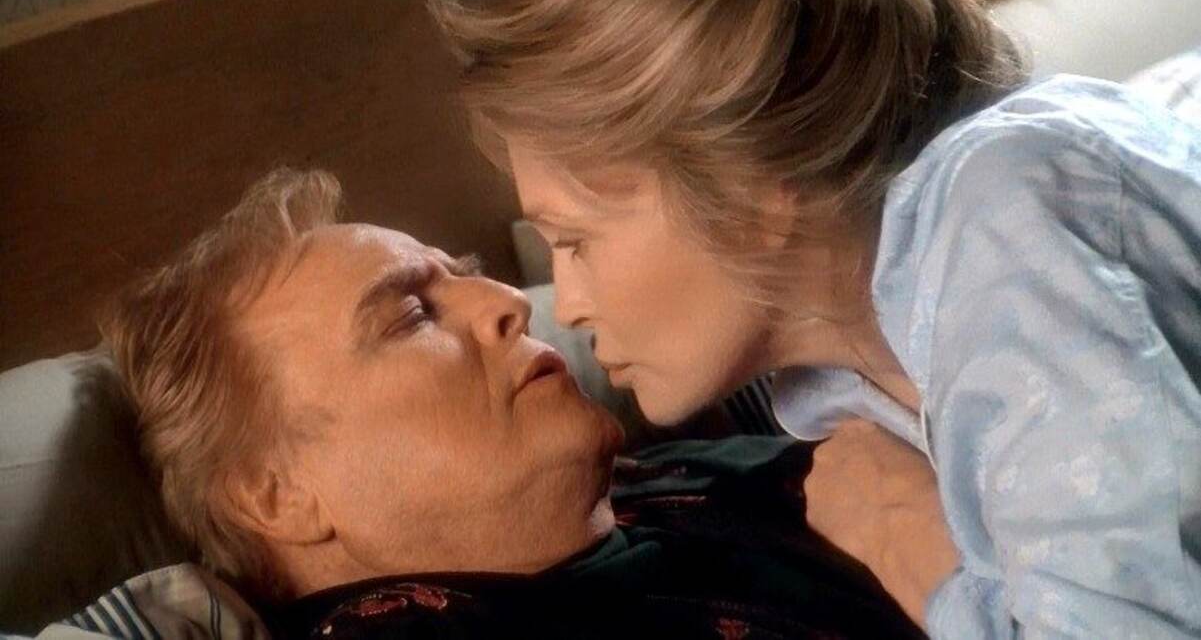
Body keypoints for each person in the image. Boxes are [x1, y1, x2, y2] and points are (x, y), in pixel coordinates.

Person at [427, 0, 1201, 636]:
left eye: (574, 240)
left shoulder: (1007, 222)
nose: (567, 305)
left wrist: (910, 542)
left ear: (748, 190)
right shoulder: (834, 386)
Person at [87, 168, 921, 639]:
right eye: (410, 315)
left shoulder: (678, 461)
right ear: (276, 493)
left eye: (470, 274)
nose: (510, 301)